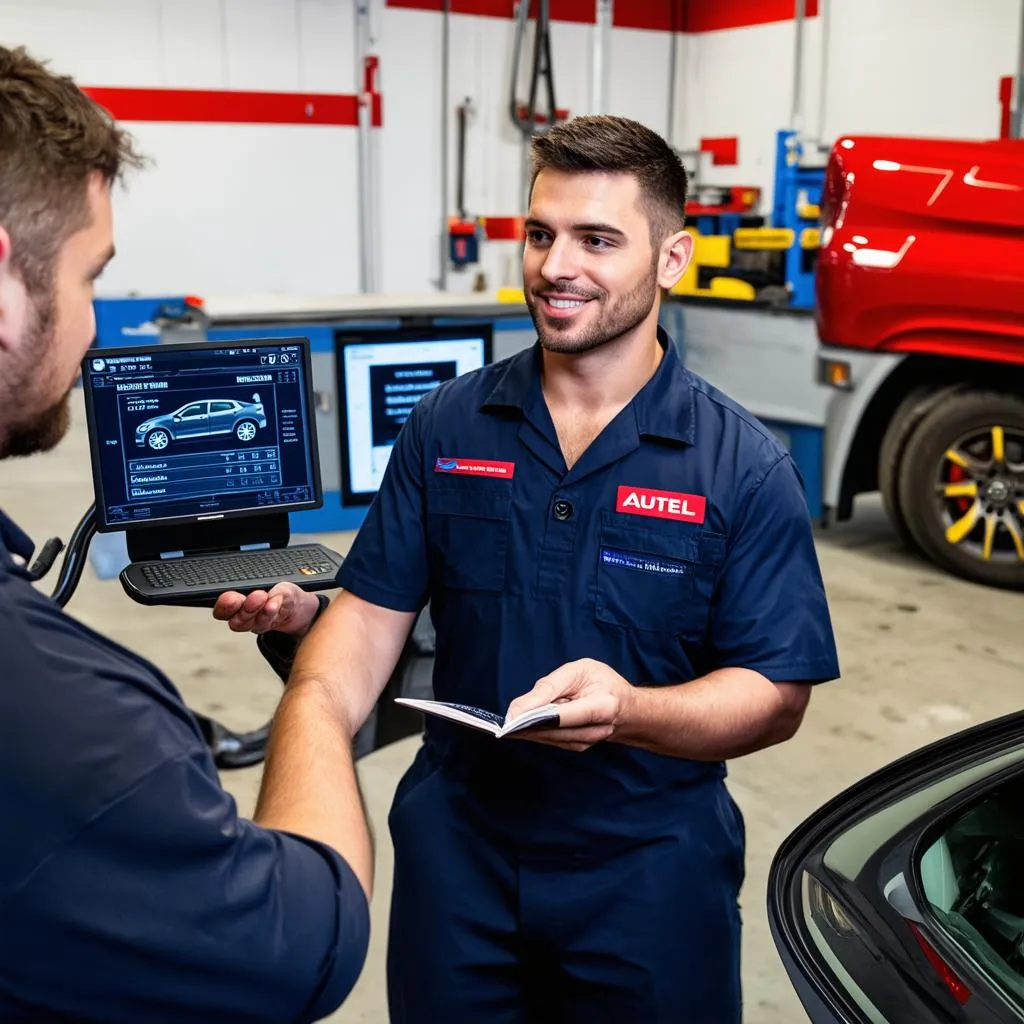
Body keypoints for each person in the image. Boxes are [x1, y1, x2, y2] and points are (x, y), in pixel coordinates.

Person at [218, 114, 840, 1022]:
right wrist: (313, 695)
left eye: (598, 239)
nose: (557, 266)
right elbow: (369, 613)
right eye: (541, 233)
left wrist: (633, 711)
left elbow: (777, 693)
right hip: (458, 861)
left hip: (649, 875)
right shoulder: (447, 427)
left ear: (673, 259)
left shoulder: (742, 466)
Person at [0, 45, 372, 1023]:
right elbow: (305, 938)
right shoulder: (60, 712)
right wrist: (323, 693)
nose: (88, 331)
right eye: (91, 279)